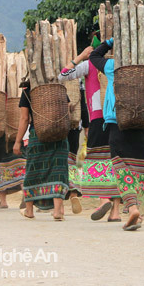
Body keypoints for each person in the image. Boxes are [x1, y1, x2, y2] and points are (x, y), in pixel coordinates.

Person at [89, 38, 144, 231]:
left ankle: (132, 209)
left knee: (121, 168)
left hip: (118, 120)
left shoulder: (113, 66)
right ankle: (135, 211)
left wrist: (110, 42)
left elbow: (94, 56)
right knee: (140, 169)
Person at [58, 39, 122, 222]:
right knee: (117, 161)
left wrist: (81, 56)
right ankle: (115, 211)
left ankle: (103, 200)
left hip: (99, 117)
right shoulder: (121, 65)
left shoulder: (89, 64)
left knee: (98, 161)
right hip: (120, 118)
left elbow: (63, 75)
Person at [13, 81, 69, 221]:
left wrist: (18, 141)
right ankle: (57, 211)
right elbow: (67, 109)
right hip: (60, 136)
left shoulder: (28, 91)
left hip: (38, 134)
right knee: (58, 171)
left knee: (33, 170)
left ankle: (29, 210)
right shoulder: (58, 89)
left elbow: (25, 118)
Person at [63, 80, 90, 215]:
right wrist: (86, 126)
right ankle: (73, 192)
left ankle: (57, 202)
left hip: (57, 126)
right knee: (72, 159)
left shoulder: (56, 78)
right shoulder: (77, 82)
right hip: (74, 126)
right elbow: (83, 104)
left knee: (59, 160)